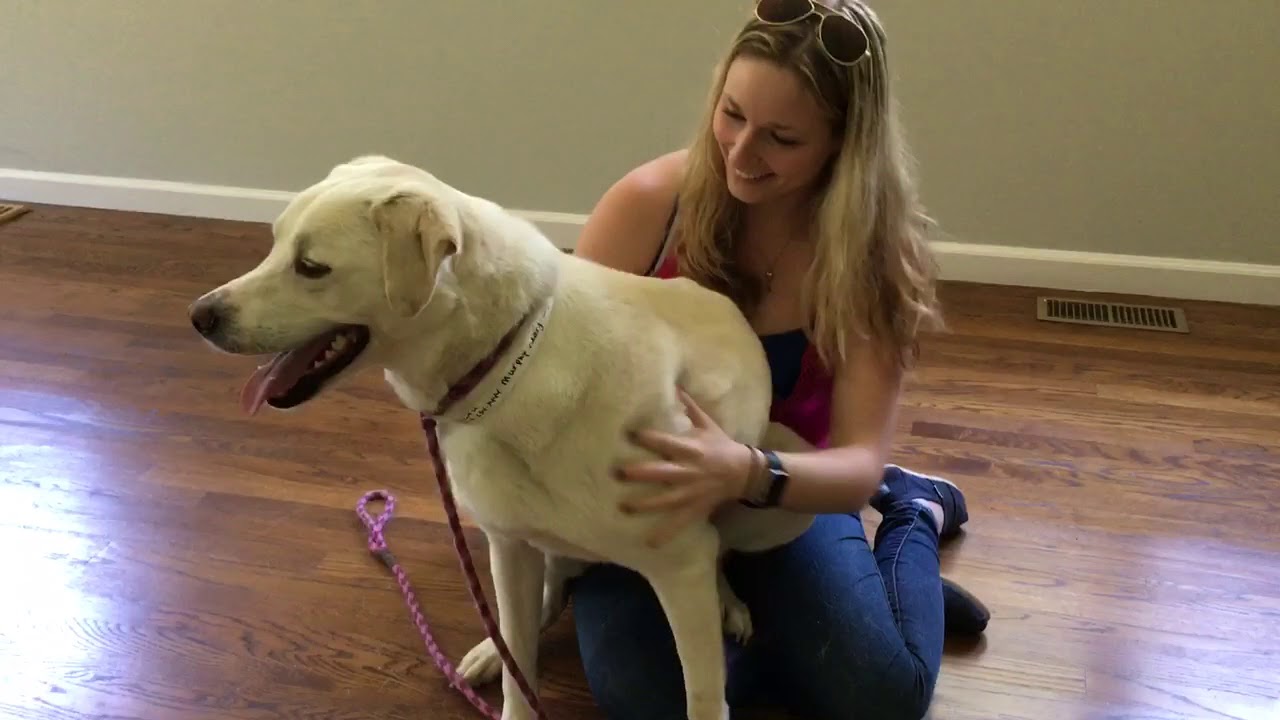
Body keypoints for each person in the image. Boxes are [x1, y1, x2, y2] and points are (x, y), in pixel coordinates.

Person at [565, 1, 989, 718]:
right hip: (647, 508)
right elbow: (556, 375)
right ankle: (821, 612)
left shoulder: (871, 258)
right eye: (731, 114)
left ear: (843, 142)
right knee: (650, 700)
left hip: (784, 496)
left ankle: (913, 511)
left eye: (782, 138)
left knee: (883, 698)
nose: (740, 154)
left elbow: (856, 463)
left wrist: (745, 472)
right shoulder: (648, 206)